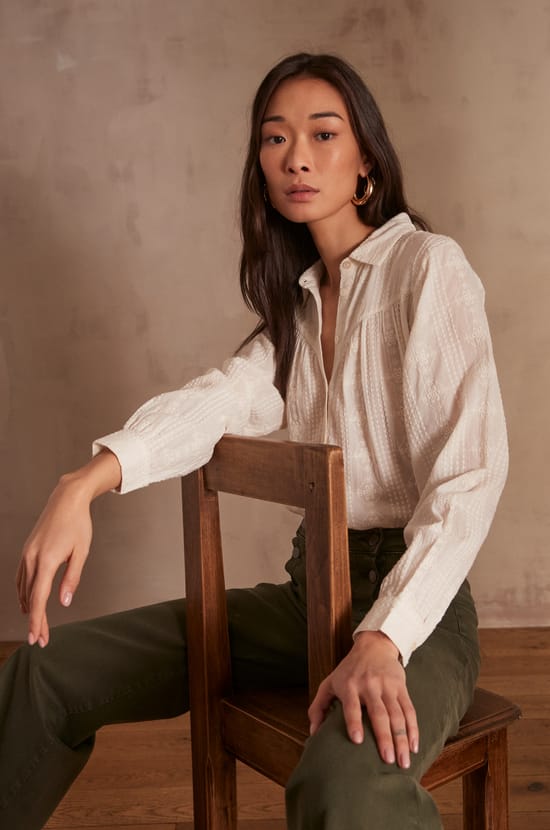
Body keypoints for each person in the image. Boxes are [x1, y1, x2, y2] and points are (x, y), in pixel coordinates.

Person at [0, 52, 508, 829]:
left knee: (345, 783)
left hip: (420, 607)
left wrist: (384, 637)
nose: (296, 157)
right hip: (308, 598)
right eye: (275, 139)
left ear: (366, 160)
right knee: (44, 674)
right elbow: (216, 402)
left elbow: (469, 480)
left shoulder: (427, 269)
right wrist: (85, 482)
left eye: (323, 134)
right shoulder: (296, 314)